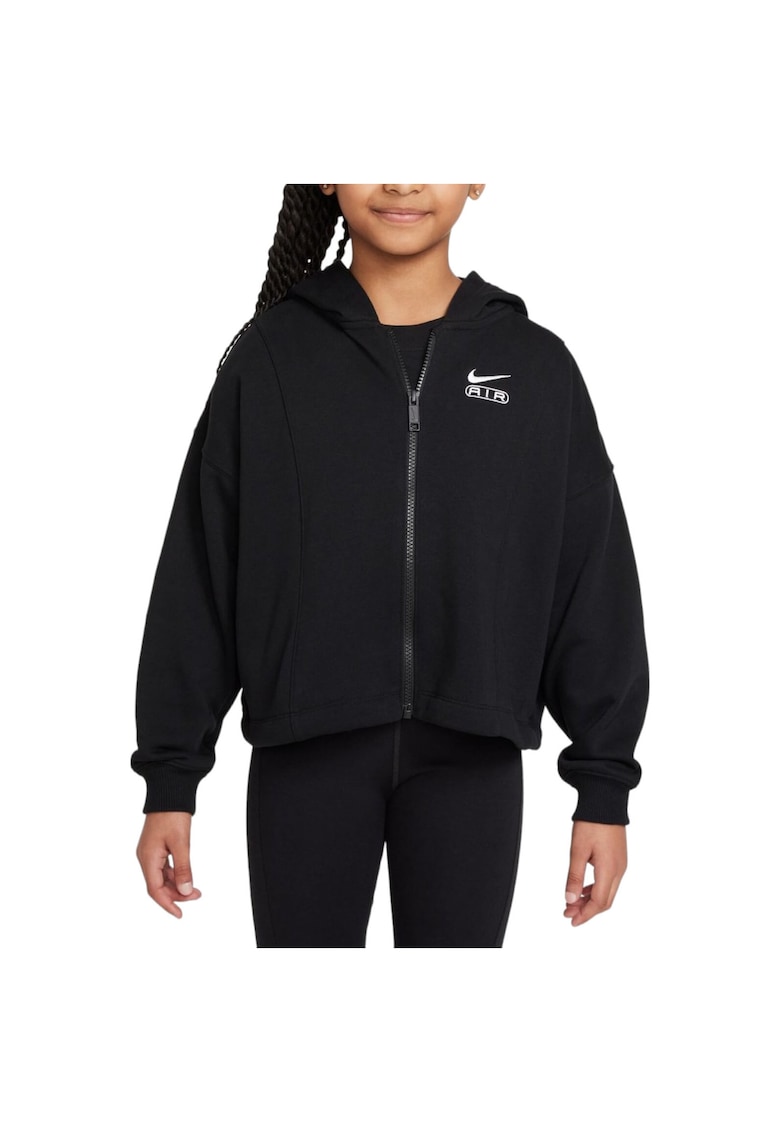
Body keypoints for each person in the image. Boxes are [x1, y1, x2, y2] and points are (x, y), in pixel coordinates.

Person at [132, 184, 650, 947]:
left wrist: (603, 789)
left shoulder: (535, 365)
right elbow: (200, 574)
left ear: (476, 175)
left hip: (472, 766)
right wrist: (170, 779)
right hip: (305, 758)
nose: (403, 180)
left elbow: (592, 579)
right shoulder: (271, 357)